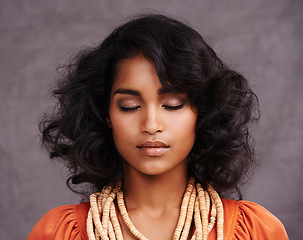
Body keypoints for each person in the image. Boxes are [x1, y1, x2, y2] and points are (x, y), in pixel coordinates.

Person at [27, 14, 288, 240]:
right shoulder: (59, 232)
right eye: (129, 105)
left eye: (173, 104)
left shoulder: (256, 231)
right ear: (106, 115)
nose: (151, 125)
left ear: (203, 113)